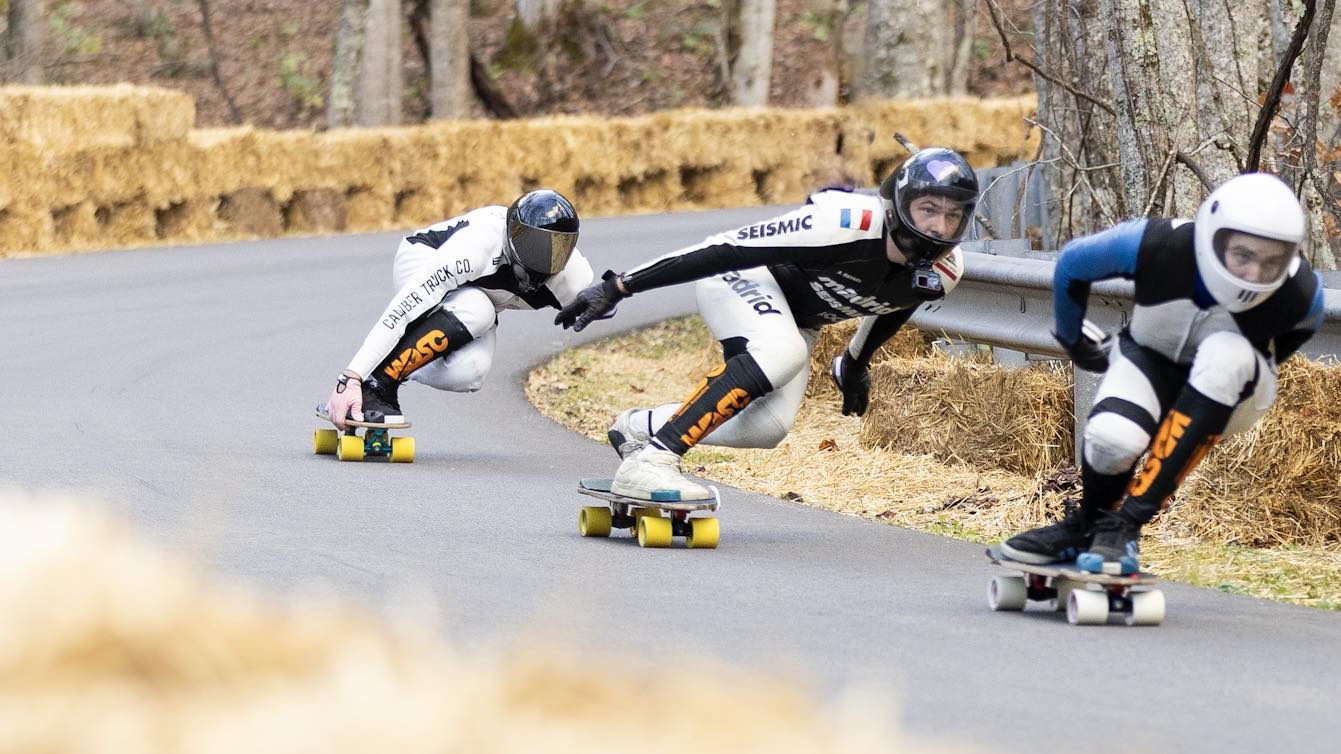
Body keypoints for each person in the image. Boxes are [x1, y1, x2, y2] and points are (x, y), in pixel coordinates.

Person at [554, 148, 981, 502]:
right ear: (898, 204)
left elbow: (894, 306)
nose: (938, 227)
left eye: (952, 215)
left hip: (796, 319)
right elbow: (724, 249)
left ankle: (638, 429)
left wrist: (855, 362)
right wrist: (621, 286)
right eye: (927, 209)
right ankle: (652, 464)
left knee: (768, 429)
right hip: (745, 279)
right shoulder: (846, 223)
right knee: (784, 351)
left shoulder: (945, 271)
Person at [1000, 172, 1324, 575]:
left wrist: (1236, 379)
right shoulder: (1158, 243)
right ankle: (1086, 527)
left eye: (1271, 261)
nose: (1254, 275)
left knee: (1225, 355)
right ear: (1213, 234)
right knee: (1109, 440)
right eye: (1243, 255)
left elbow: (1295, 338)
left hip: (1234, 388)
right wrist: (1074, 341)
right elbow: (1072, 264)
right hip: (1150, 359)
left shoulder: (1302, 292)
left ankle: (1125, 526)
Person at [323, 189, 592, 429]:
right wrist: (350, 378)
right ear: (512, 234)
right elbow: (403, 310)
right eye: (533, 245)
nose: (545, 259)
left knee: (470, 373)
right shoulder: (475, 250)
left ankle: (389, 364)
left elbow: (606, 297)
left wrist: (608, 297)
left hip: (477, 298)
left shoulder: (573, 278)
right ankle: (376, 384)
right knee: (478, 309)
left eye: (559, 248)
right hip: (422, 258)